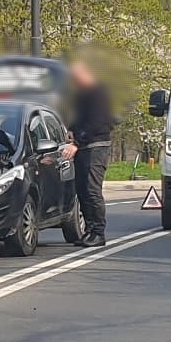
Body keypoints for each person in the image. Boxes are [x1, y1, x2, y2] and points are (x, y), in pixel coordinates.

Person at [63, 58, 114, 247]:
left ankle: (98, 232)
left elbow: (96, 122)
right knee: (82, 190)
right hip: (84, 146)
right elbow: (78, 116)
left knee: (92, 190)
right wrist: (71, 129)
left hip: (96, 146)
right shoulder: (81, 94)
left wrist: (77, 142)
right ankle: (89, 230)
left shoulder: (98, 93)